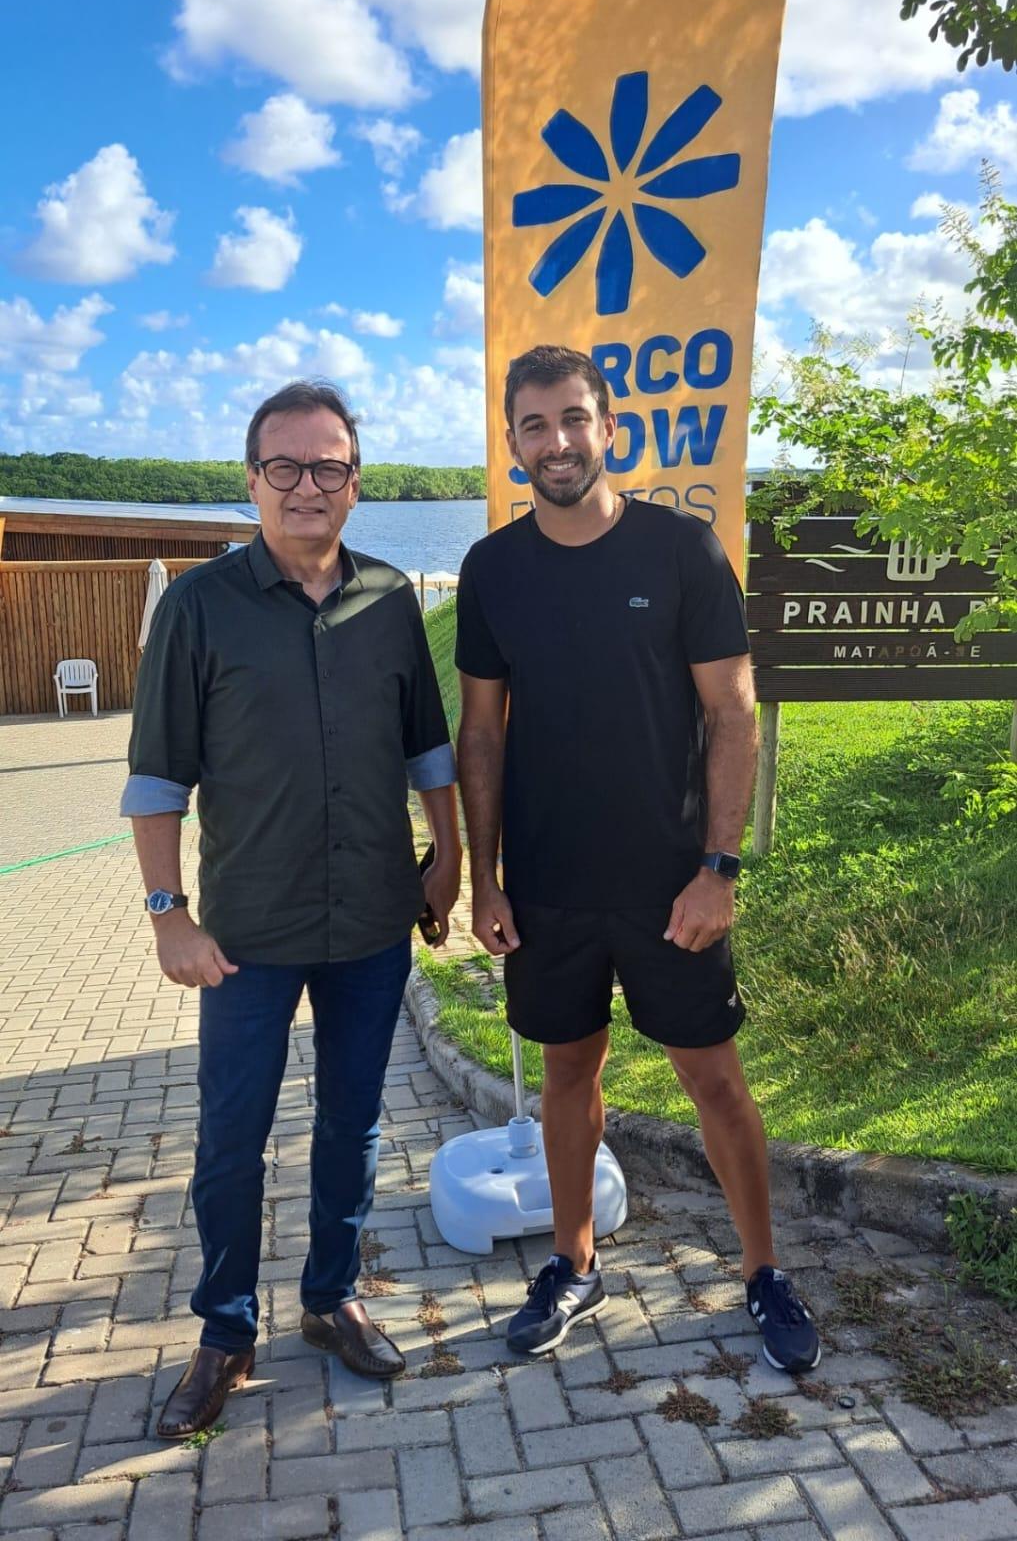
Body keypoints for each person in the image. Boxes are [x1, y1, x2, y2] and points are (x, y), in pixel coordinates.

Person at [455, 345, 820, 1373]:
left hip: (670, 885)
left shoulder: (681, 551)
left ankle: (762, 1272)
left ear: (609, 428)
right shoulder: (492, 569)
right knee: (568, 1071)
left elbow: (732, 714)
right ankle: (573, 1264)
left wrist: (718, 869)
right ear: (513, 441)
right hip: (548, 885)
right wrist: (486, 879)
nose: (556, 441)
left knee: (713, 1078)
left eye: (573, 418)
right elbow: (481, 734)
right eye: (534, 425)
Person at [122, 379, 461, 1438]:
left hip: (371, 920)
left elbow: (427, 747)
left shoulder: (390, 598)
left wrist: (449, 854)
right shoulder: (198, 606)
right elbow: (155, 778)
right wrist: (169, 914)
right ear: (252, 478)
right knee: (232, 1136)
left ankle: (331, 1299)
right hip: (245, 935)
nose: (307, 485)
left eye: (329, 466)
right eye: (285, 465)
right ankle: (224, 1331)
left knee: (353, 1126)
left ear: (356, 482)